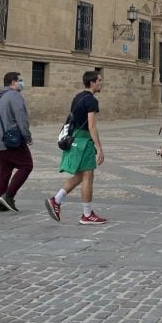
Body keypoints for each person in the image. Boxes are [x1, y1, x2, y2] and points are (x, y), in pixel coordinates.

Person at [44, 71, 107, 225]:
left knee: (80, 176)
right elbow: (92, 126)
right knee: (88, 177)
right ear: (92, 83)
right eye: (99, 80)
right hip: (84, 142)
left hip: (75, 141)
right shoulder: (91, 100)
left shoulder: (78, 97)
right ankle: (87, 214)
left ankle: (56, 200)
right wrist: (99, 148)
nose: (101, 83)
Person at [0, 71, 33, 212]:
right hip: (11, 140)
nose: (22, 83)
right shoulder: (14, 96)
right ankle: (8, 196)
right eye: (20, 80)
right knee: (26, 165)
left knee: (4, 170)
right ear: (13, 82)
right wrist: (27, 136)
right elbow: (21, 118)